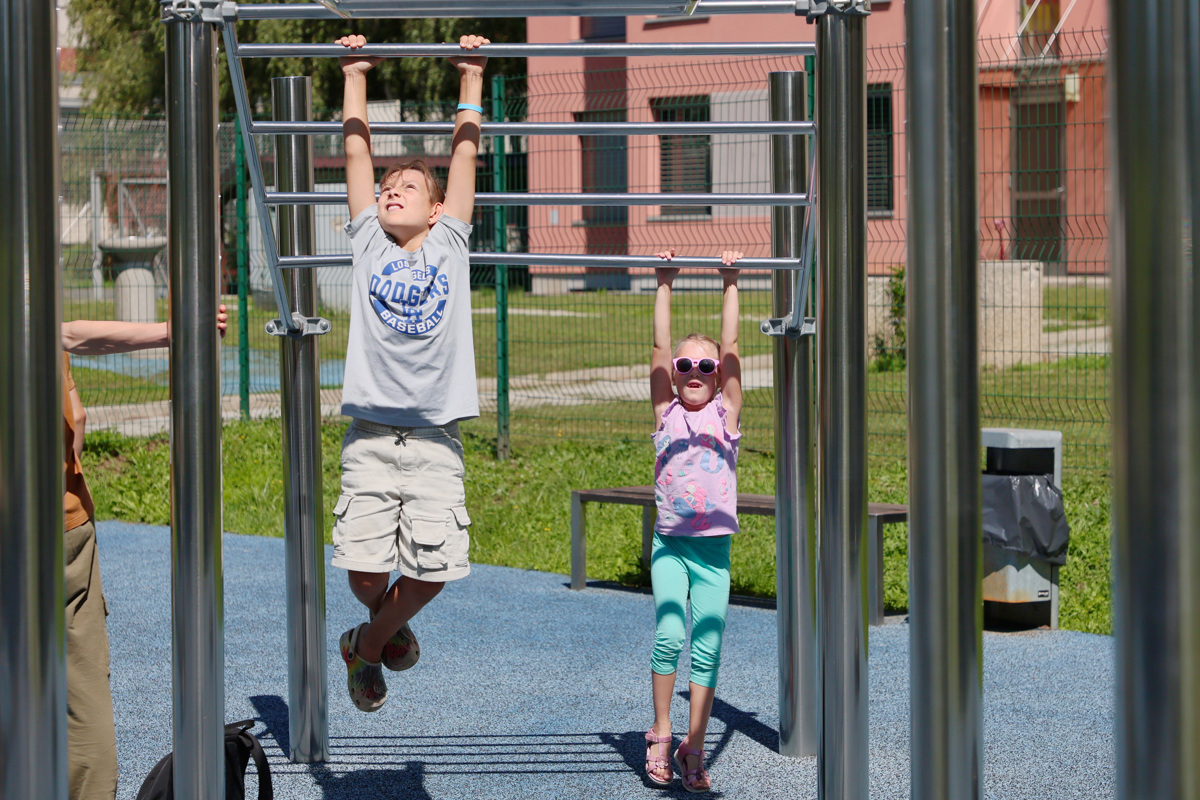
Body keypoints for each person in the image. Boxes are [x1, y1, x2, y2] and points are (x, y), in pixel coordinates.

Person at [331, 33, 488, 712]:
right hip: (370, 435)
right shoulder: (368, 242)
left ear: (437, 209)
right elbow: (358, 152)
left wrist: (472, 77)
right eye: (389, 188)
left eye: (409, 188)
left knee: (435, 571)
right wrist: (355, 74)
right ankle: (378, 622)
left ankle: (367, 646)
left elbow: (463, 156)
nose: (393, 191)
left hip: (432, 440)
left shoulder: (452, 243)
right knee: (365, 575)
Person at [59, 307, 227, 800]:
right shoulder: (38, 325)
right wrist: (169, 332)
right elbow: (79, 414)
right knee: (83, 698)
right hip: (66, 524)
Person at [644, 250, 743, 793]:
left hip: (713, 554)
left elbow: (731, 350)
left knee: (706, 643)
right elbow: (660, 348)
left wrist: (730, 283)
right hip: (670, 546)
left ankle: (694, 745)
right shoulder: (667, 413)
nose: (697, 372)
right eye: (687, 366)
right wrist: (664, 284)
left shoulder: (726, 415)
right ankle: (661, 731)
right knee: (668, 635)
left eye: (706, 366)